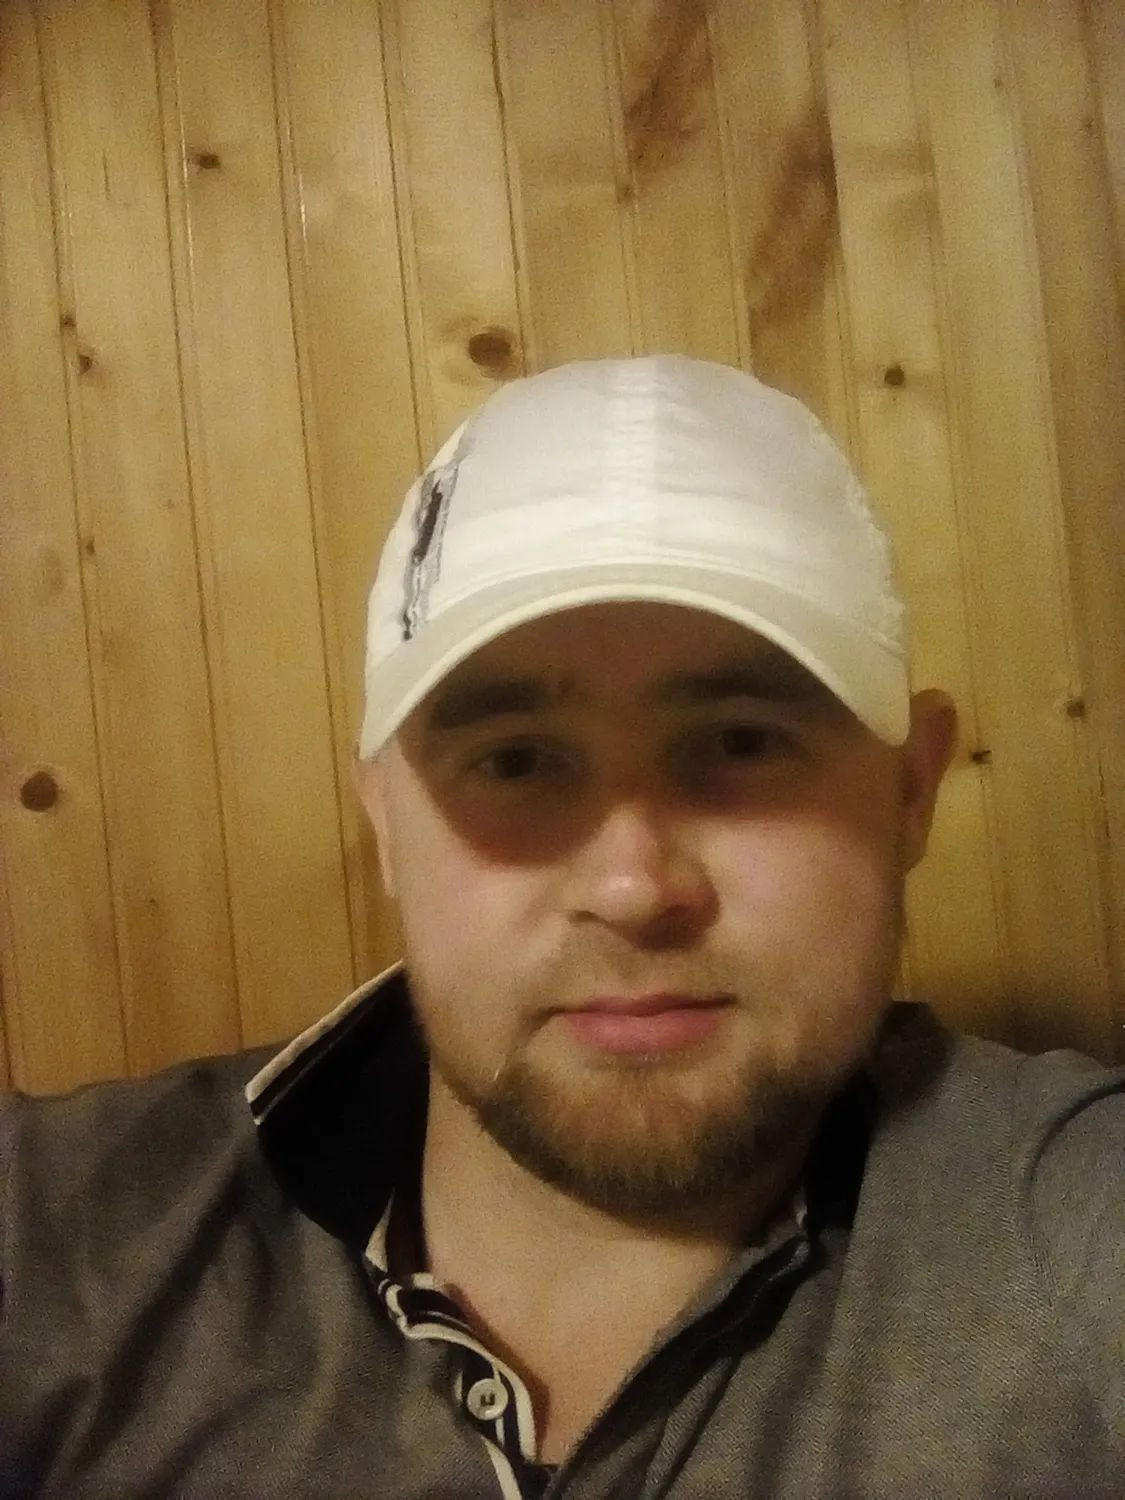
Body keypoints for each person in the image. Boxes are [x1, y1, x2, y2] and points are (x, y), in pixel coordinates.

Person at [1, 357, 1121, 1498]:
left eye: (740, 743)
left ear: (911, 792)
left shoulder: (1082, 1236)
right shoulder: (45, 1233)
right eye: (516, 762)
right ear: (385, 820)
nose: (632, 887)